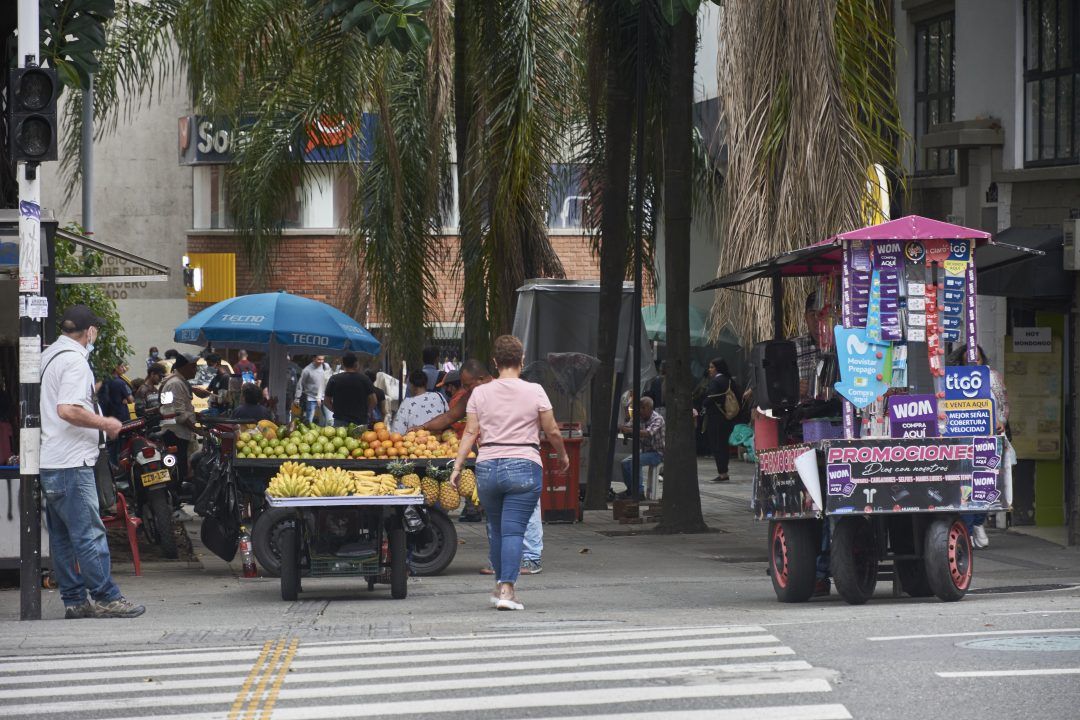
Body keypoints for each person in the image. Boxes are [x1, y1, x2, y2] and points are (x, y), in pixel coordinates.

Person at [39, 304, 145, 618]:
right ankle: (106, 596)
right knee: (89, 534)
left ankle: (74, 601)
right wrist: (107, 424)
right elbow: (68, 410)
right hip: (72, 462)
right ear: (90, 331)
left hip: (52, 460)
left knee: (61, 537)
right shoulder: (74, 361)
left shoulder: (49, 356)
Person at [449, 335, 569, 611]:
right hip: (524, 464)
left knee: (496, 529)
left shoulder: (480, 393)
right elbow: (551, 430)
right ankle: (507, 589)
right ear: (521, 360)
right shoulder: (535, 390)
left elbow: (470, 432)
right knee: (514, 530)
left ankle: (499, 585)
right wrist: (562, 455)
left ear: (495, 362)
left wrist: (456, 466)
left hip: (488, 464)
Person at [951, 344, 1010, 549]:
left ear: (982, 360)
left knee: (987, 481)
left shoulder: (992, 377)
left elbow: (1002, 402)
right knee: (966, 484)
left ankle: (978, 522)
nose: (972, 363)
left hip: (989, 436)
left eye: (976, 360)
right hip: (963, 438)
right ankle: (967, 530)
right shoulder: (953, 378)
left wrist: (1001, 420)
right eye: (968, 359)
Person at [160, 351, 204, 531]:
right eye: (193, 367)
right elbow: (178, 413)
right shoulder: (175, 384)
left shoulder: (177, 382)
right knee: (176, 471)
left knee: (180, 469)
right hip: (174, 432)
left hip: (177, 432)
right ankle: (174, 508)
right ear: (184, 367)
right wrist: (197, 429)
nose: (195, 370)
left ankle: (174, 505)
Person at [619, 396, 665, 497]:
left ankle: (639, 493)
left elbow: (648, 433)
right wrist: (624, 427)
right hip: (645, 451)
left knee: (635, 461)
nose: (641, 410)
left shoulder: (657, 419)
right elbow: (628, 426)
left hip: (658, 453)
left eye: (644, 408)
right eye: (640, 408)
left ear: (650, 408)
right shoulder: (638, 417)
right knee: (625, 463)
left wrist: (630, 430)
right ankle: (631, 490)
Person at [704, 358, 738, 483]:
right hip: (728, 417)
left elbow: (709, 399)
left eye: (712, 367)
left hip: (716, 418)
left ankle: (722, 473)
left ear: (717, 368)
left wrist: (704, 403)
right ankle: (724, 471)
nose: (710, 369)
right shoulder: (730, 381)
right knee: (724, 446)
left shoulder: (716, 382)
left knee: (717, 445)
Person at [323, 353, 377, 427]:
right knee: (360, 438)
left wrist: (336, 411)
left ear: (343, 364)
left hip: (340, 421)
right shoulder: (365, 379)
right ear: (356, 364)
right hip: (360, 421)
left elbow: (326, 401)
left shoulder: (334, 379)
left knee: (340, 439)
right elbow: (374, 400)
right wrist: (368, 412)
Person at [392, 370, 449, 435]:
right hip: (441, 442)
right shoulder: (439, 396)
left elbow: (398, 431)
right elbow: (448, 418)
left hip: (416, 443)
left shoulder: (407, 403)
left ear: (412, 385)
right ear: (426, 384)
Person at [295, 355, 330, 425]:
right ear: (314, 359)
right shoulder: (307, 370)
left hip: (324, 397)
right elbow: (300, 384)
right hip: (311, 397)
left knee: (328, 419)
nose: (321, 361)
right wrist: (297, 398)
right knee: (309, 420)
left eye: (323, 359)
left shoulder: (326, 366)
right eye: (319, 359)